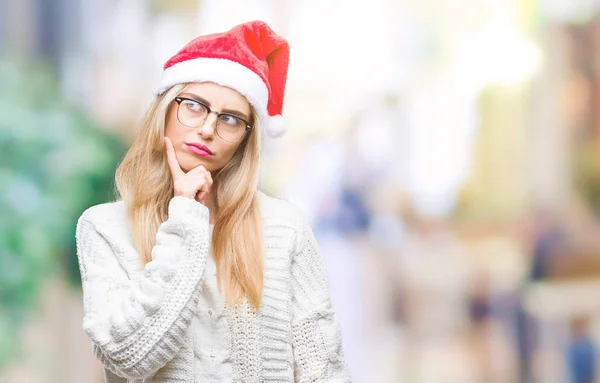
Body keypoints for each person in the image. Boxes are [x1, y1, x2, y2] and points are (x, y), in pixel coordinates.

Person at [75, 20, 350, 383]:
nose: (207, 128)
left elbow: (323, 368)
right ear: (166, 109)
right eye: (194, 106)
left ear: (245, 138)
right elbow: (129, 357)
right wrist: (186, 219)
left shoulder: (284, 226)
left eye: (231, 119)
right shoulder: (104, 228)